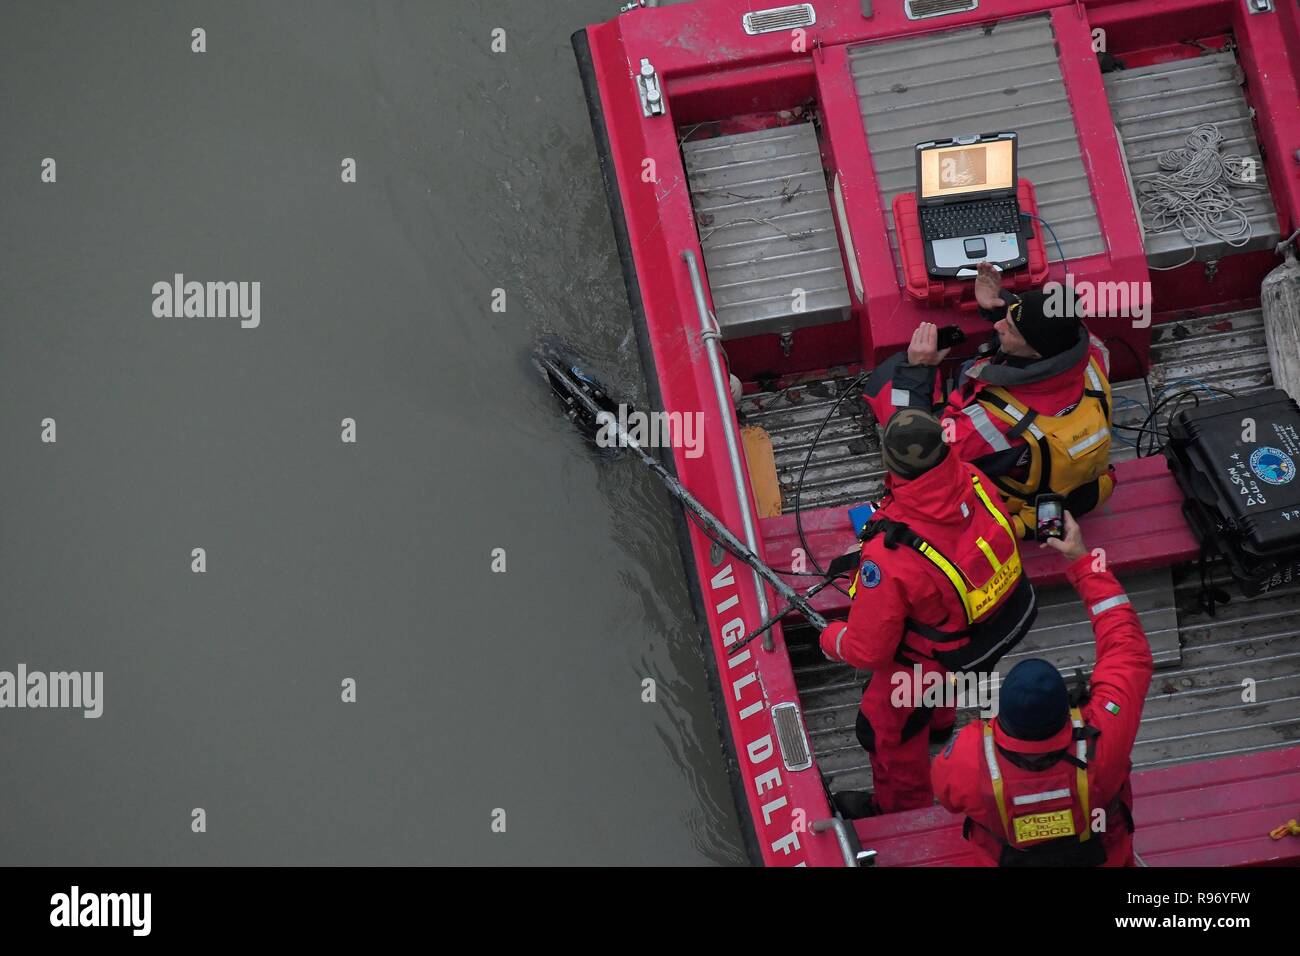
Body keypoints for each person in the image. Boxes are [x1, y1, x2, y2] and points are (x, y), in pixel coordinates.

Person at [819, 408, 1037, 815]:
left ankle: (904, 810)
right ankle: (939, 725)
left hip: (923, 666)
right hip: (986, 636)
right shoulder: (975, 479)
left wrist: (831, 638)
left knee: (887, 733)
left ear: (889, 465)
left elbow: (868, 652)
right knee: (939, 684)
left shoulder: (889, 556)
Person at [931, 512, 1153, 866]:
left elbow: (946, 795)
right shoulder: (1106, 735)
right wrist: (1082, 560)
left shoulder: (968, 756)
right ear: (1070, 709)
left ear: (1000, 714)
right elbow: (1127, 649)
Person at [864, 262, 1115, 538]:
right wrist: (1000, 304)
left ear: (1035, 354)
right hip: (1062, 476)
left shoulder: (989, 423)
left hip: (1009, 496)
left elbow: (919, 444)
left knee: (889, 379)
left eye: (1008, 327)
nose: (997, 325)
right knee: (975, 363)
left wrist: (918, 369)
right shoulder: (1090, 353)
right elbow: (1047, 327)